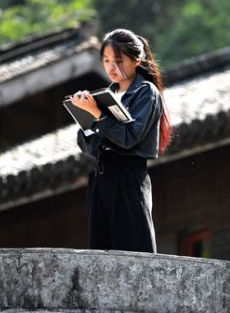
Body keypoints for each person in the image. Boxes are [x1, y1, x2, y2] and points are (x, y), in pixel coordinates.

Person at [71, 28, 172, 253]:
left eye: (118, 60)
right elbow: (91, 147)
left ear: (137, 60)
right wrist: (85, 119)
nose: (111, 67)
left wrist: (97, 115)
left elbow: (129, 138)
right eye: (106, 60)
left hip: (129, 178)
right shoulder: (107, 94)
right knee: (100, 253)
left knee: (132, 250)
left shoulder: (146, 92)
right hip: (102, 178)